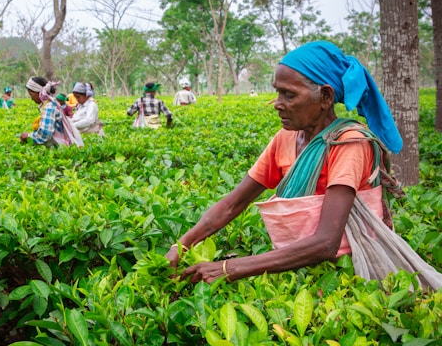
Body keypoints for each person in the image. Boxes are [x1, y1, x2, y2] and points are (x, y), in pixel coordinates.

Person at [164, 41, 431, 286]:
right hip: (294, 270)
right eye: (277, 93)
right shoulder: (286, 139)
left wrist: (227, 268)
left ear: (326, 96)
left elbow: (327, 243)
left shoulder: (349, 143)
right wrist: (182, 244)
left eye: (289, 95)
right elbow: (233, 203)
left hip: (353, 274)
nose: (277, 104)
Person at [20, 76, 83, 147]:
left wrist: (28, 136)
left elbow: (45, 134)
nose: (31, 98)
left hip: (60, 148)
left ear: (39, 92)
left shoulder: (49, 106)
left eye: (31, 95)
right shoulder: (50, 104)